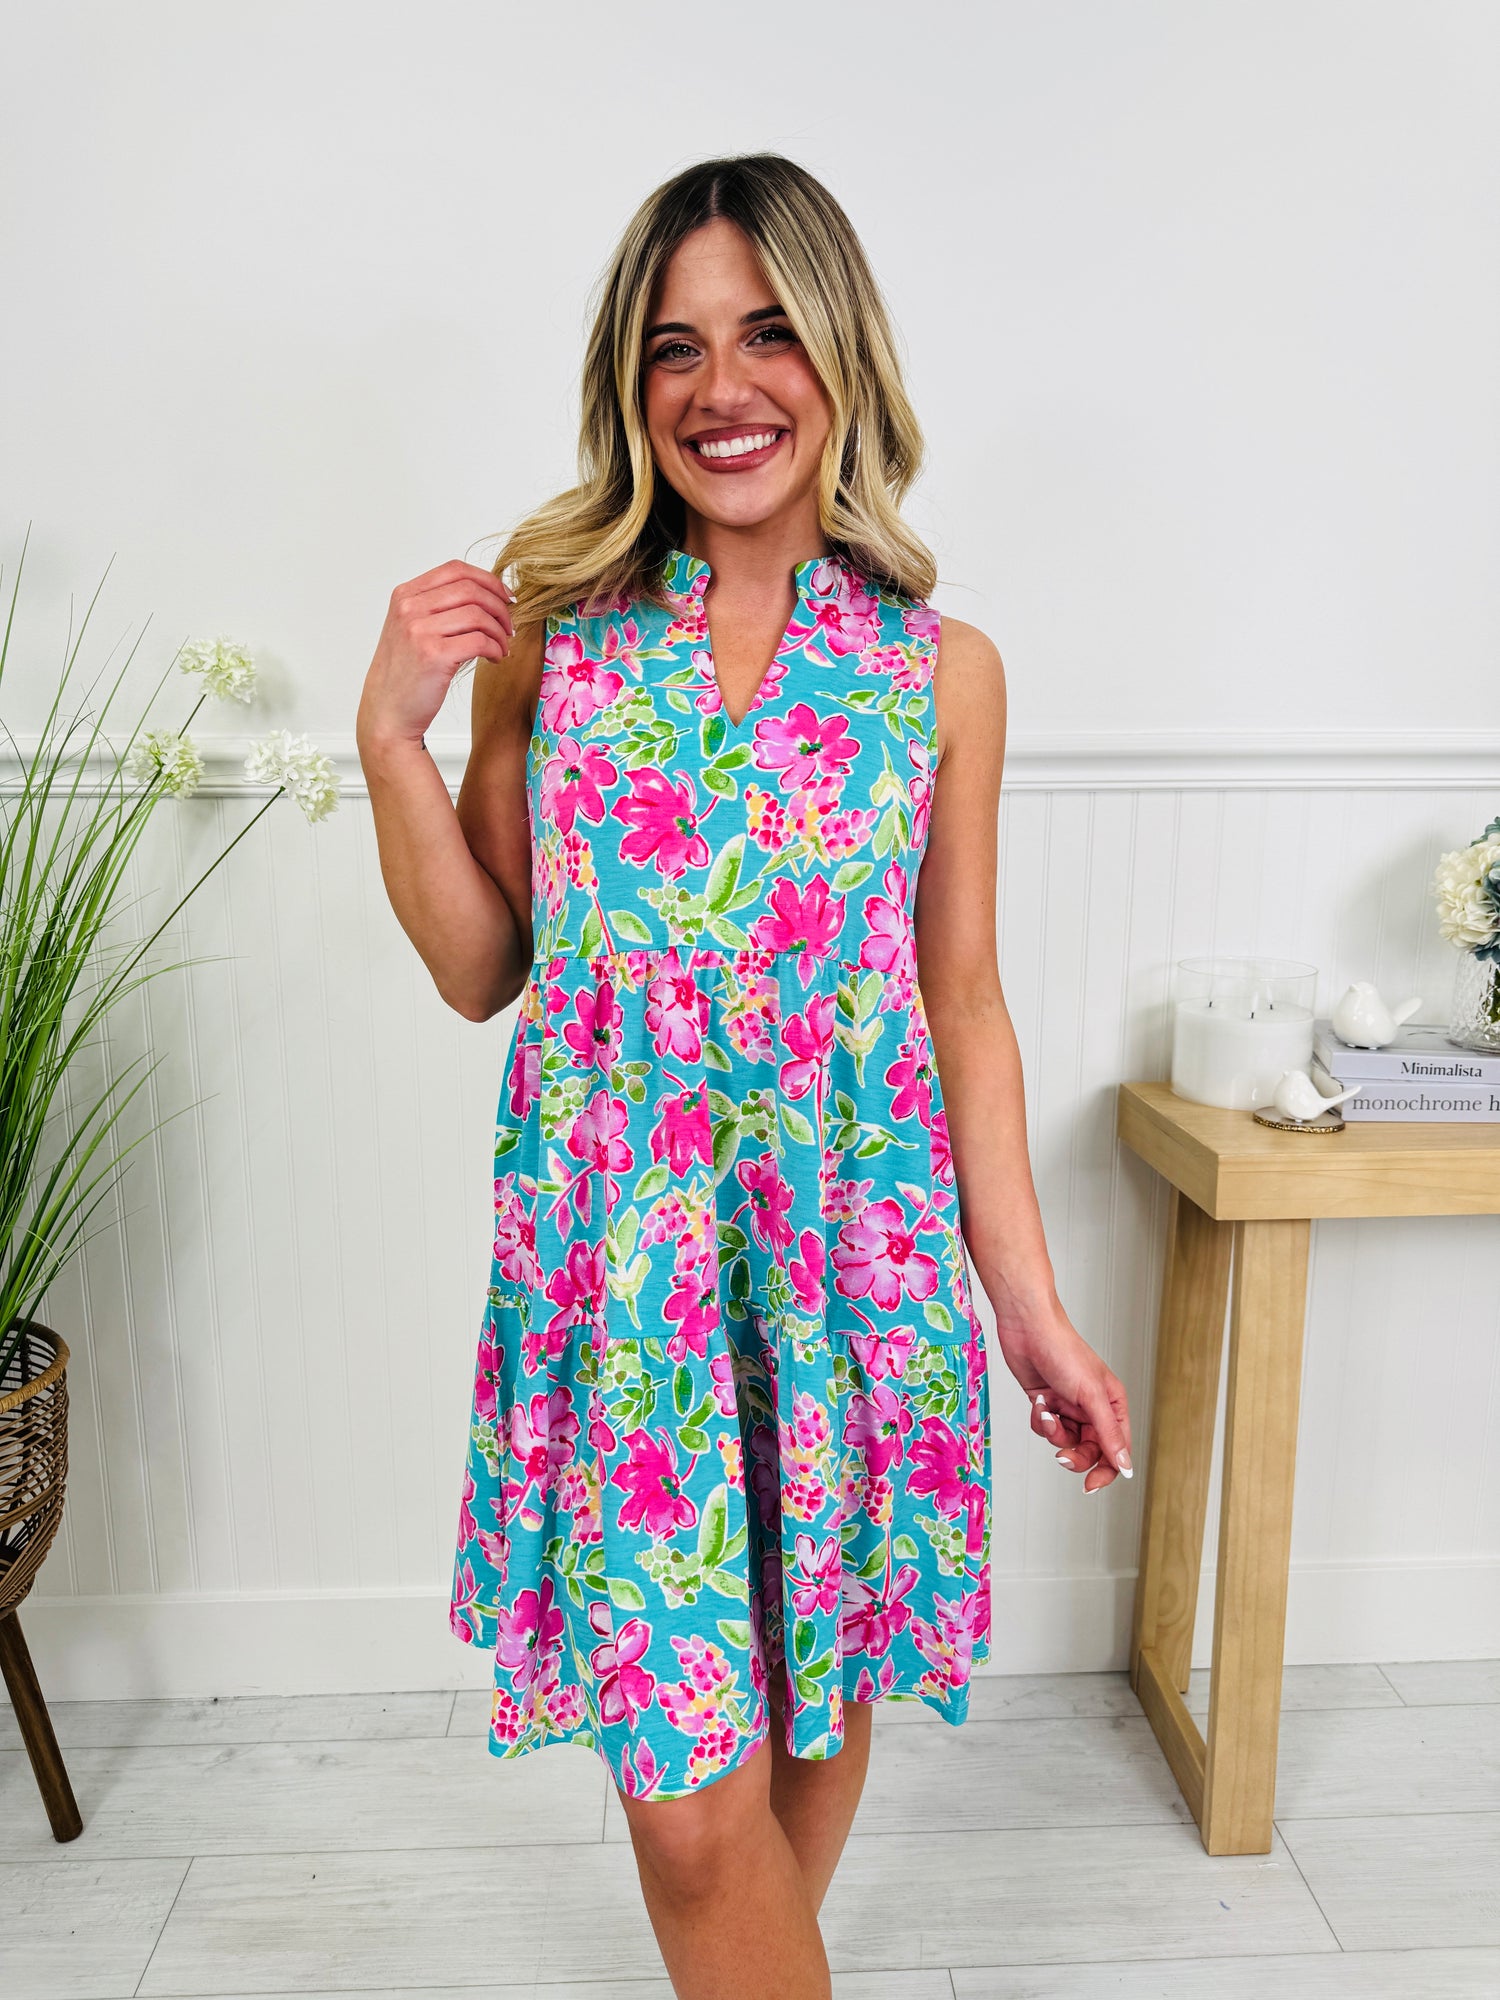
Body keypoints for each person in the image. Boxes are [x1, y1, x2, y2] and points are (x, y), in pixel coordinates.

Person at [356, 151, 1132, 2000]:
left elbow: (963, 1004)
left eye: (771, 334)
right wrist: (387, 734)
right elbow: (482, 970)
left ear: (842, 354)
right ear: (630, 382)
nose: (726, 389)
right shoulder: (551, 637)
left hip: (850, 1275)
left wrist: (1027, 1308)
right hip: (624, 1288)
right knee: (692, 1823)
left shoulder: (940, 672)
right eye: (678, 346)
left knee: (807, 1709)